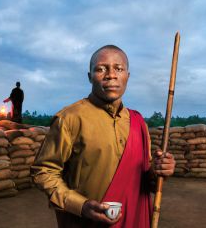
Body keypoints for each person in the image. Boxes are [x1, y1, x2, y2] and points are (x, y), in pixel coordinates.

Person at [31, 45, 175, 228]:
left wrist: (159, 171)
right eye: (101, 69)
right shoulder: (69, 119)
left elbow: (145, 182)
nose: (111, 75)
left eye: (119, 68)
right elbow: (43, 172)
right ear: (90, 76)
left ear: (127, 77)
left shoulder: (138, 122)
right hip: (84, 222)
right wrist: (81, 206)